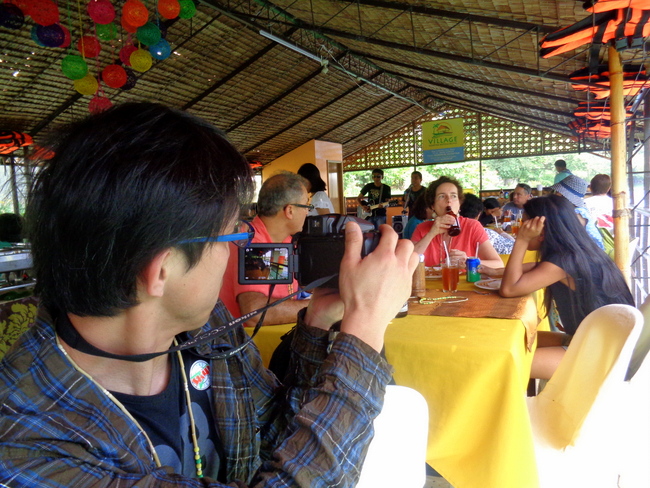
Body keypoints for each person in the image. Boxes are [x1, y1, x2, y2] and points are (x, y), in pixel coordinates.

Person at [0, 103, 418, 487]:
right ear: (161, 269)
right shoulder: (27, 444)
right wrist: (363, 332)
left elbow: (276, 437)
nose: (232, 252)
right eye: (231, 235)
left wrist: (318, 324)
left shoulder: (207, 330)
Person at [481, 195, 633, 380]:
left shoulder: (564, 260)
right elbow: (536, 268)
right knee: (511, 340)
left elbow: (509, 289)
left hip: (603, 354)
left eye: (525, 224)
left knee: (503, 363)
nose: (522, 228)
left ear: (542, 231)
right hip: (594, 340)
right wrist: (497, 271)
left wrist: (521, 240)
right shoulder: (575, 251)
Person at [220, 172, 311, 327]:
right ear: (289, 210)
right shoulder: (252, 243)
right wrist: (317, 308)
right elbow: (255, 313)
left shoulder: (282, 240)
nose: (308, 212)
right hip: (247, 345)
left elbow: (283, 291)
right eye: (306, 206)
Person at [411, 176, 504, 268]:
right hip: (430, 283)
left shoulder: (472, 226)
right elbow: (409, 262)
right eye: (442, 196)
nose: (449, 200)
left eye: (453, 196)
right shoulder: (421, 228)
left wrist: (468, 261)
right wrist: (431, 233)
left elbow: (498, 264)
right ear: (432, 205)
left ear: (459, 204)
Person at [549, 175, 604, 250]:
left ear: (560, 194)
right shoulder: (573, 210)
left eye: (555, 192)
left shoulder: (578, 214)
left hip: (590, 255)